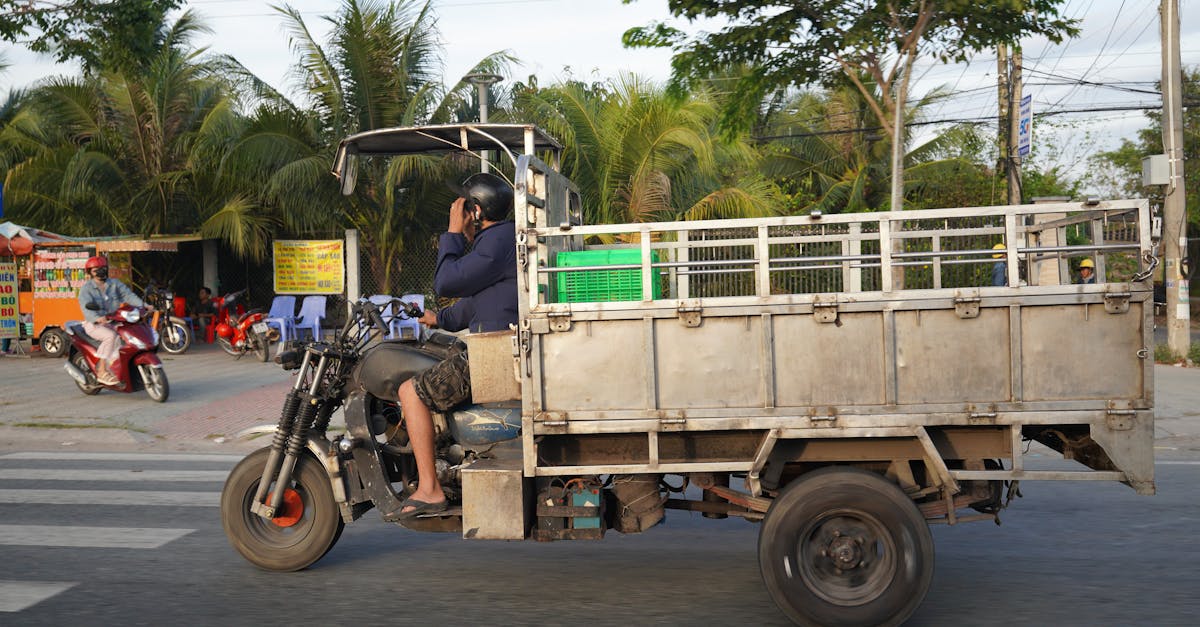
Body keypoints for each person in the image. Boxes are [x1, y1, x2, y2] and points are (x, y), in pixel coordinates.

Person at [391, 172, 518, 520]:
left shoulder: (496, 241)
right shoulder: (499, 239)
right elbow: (478, 301)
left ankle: (429, 488)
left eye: (465, 205)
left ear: (476, 211)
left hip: (495, 354)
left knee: (410, 392)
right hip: (493, 344)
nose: (459, 211)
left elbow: (447, 281)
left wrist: (452, 231)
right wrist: (438, 319)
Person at [77, 255, 148, 385]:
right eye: (95, 270)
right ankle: (102, 371)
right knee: (111, 336)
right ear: (90, 273)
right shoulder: (86, 289)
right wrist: (97, 318)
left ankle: (121, 368)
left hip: (113, 321)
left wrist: (143, 305)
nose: (100, 272)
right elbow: (86, 308)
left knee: (129, 335)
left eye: (103, 268)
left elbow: (128, 295)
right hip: (94, 323)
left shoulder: (115, 284)